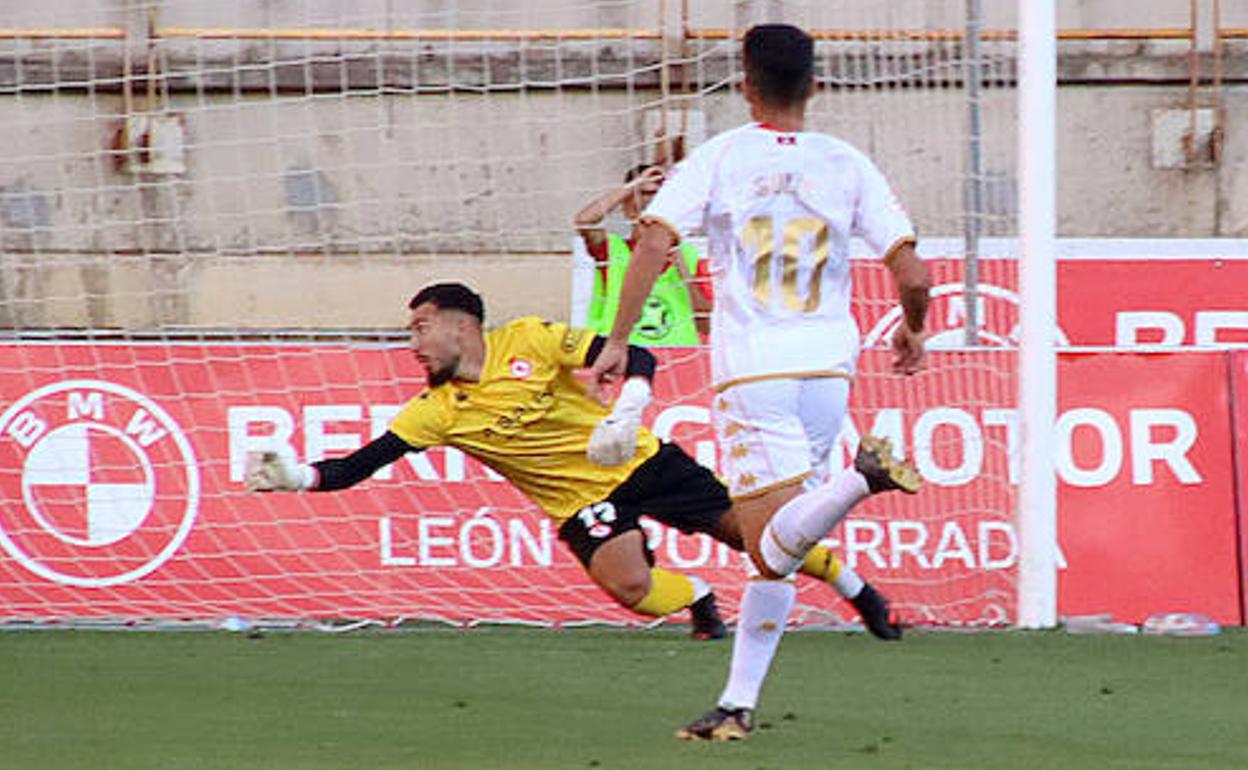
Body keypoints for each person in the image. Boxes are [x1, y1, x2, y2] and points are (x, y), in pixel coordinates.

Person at [586, 23, 932, 741]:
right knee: (775, 551)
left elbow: (653, 241)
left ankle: (862, 480)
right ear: (815, 85)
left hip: (754, 371)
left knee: (764, 541)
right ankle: (737, 705)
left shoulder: (720, 157)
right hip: (828, 370)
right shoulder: (847, 162)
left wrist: (619, 340)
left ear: (744, 86)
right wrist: (914, 326)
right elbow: (914, 272)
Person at [245, 282, 902, 642]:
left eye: (420, 327)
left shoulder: (529, 338)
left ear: (460, 323)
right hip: (582, 502)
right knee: (633, 593)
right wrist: (297, 476)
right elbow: (360, 465)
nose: (413, 343)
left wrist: (627, 410)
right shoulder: (435, 409)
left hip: (641, 460)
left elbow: (636, 355)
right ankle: (701, 599)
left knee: (756, 540)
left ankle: (859, 592)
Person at [575, 159, 712, 344]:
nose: (652, 201)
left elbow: (707, 326)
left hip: (679, 359)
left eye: (660, 195)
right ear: (627, 206)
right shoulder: (613, 249)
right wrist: (633, 185)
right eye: (644, 194)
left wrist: (684, 273)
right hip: (622, 354)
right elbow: (584, 220)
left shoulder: (689, 255)